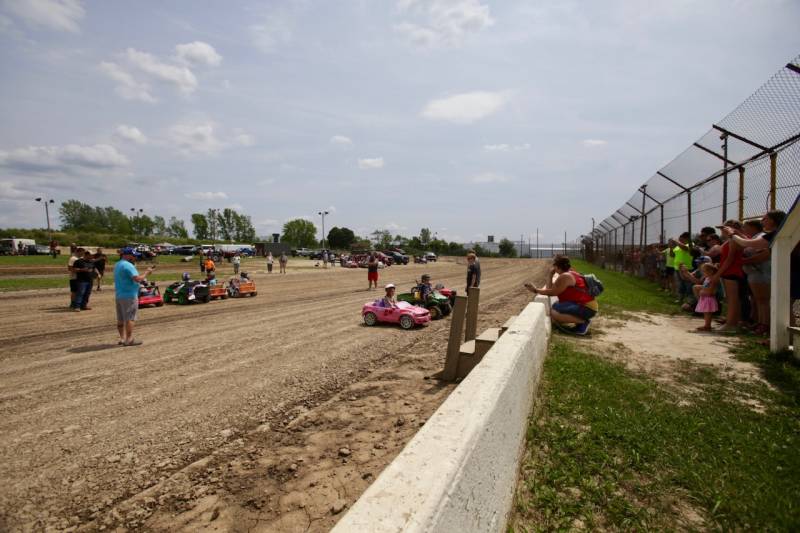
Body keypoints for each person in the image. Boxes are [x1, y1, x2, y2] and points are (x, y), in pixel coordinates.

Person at [524, 255, 597, 335]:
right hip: (588, 306)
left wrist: (535, 290)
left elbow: (552, 292)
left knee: (553, 312)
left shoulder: (565, 277)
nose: (553, 267)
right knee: (556, 305)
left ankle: (583, 322)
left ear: (557, 267)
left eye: (554, 265)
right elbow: (550, 289)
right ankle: (580, 322)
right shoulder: (570, 273)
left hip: (587, 308)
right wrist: (550, 275)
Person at [114, 247, 155, 346]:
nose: (135, 258)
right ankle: (129, 339)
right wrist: (147, 273)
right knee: (130, 318)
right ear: (127, 255)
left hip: (119, 295)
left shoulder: (118, 264)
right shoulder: (128, 265)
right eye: (133, 256)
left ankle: (122, 338)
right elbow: (137, 279)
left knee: (120, 319)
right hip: (129, 295)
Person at [711, 220, 745, 333]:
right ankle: (734, 322)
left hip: (732, 271)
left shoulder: (734, 240)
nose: (722, 231)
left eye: (724, 228)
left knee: (732, 299)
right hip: (728, 271)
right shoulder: (729, 240)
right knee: (731, 299)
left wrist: (718, 274)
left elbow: (730, 260)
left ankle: (731, 324)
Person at [694, 263, 720, 332]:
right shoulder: (707, 278)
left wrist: (703, 292)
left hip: (709, 299)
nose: (703, 273)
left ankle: (707, 326)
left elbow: (711, 291)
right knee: (706, 313)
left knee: (708, 313)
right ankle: (706, 325)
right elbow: (705, 287)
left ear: (711, 271)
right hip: (705, 298)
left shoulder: (712, 280)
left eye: (704, 271)